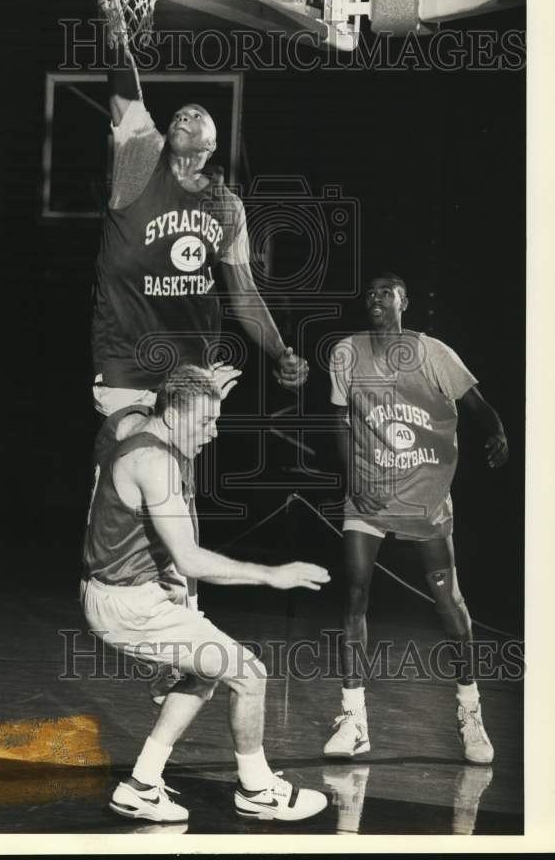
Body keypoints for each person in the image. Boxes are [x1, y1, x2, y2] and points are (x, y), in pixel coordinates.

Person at [82, 364, 331, 823]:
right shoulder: (153, 461)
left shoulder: (142, 428)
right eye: (205, 422)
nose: (213, 433)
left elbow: (164, 412)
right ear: (173, 415)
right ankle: (256, 791)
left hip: (122, 595)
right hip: (129, 605)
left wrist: (202, 394)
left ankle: (141, 784)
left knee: (203, 673)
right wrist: (272, 575)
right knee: (249, 675)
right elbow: (191, 560)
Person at [323, 272, 508, 764]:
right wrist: (352, 478)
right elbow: (339, 420)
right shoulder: (346, 353)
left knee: (449, 602)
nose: (376, 298)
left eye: (387, 292)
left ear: (404, 302)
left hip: (425, 493)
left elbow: (476, 404)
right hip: (368, 494)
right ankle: (353, 716)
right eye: (370, 293)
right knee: (355, 593)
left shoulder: (433, 353)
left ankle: (470, 711)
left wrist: (496, 430)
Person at [91, 40, 308, 418]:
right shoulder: (139, 164)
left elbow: (244, 294)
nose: (181, 117)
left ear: (213, 143)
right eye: (177, 115)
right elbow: (125, 92)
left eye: (194, 115)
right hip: (127, 368)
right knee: (129, 466)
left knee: (176, 476)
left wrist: (279, 350)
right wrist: (116, 34)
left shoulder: (228, 207)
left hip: (193, 372)